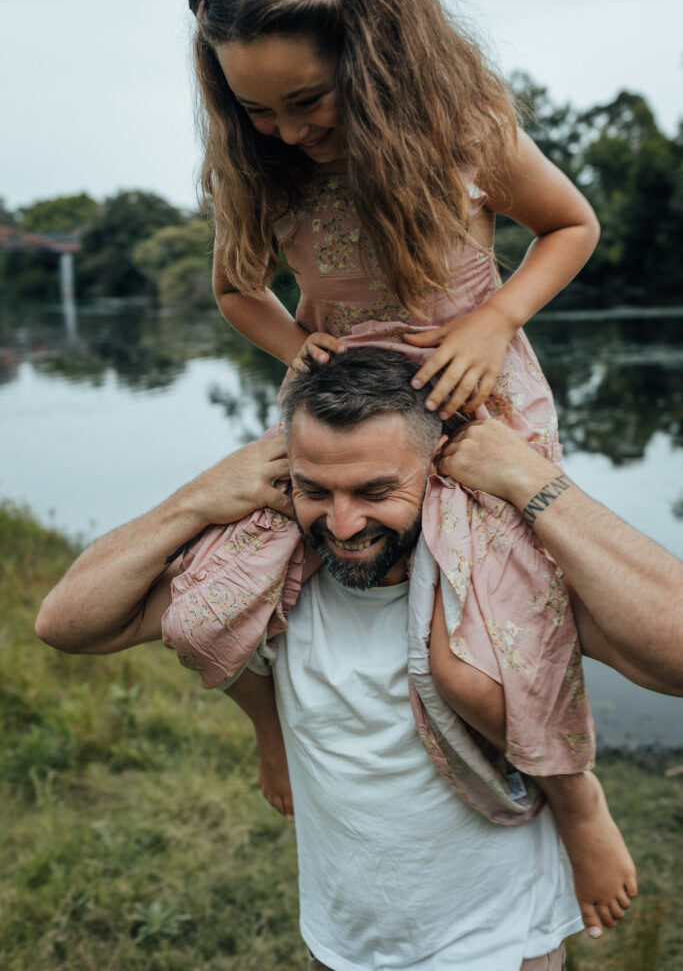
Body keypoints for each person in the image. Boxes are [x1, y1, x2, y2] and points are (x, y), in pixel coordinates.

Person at [176, 0, 618, 935]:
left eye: (306, 99)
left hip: (471, 408)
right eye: (259, 110)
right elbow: (237, 291)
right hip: (341, 422)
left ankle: (576, 796)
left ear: (369, 59)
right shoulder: (263, 170)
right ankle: (275, 735)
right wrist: (295, 343)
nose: (287, 130)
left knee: (475, 657)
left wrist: (493, 320)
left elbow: (569, 226)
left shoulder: (461, 130)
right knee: (216, 607)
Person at [35, 351, 683, 970]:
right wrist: (200, 498)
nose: (342, 524)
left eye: (375, 490)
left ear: (437, 471)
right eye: (314, 489)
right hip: (339, 942)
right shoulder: (263, 574)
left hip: (496, 944)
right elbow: (66, 623)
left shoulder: (502, 583)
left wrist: (533, 482)